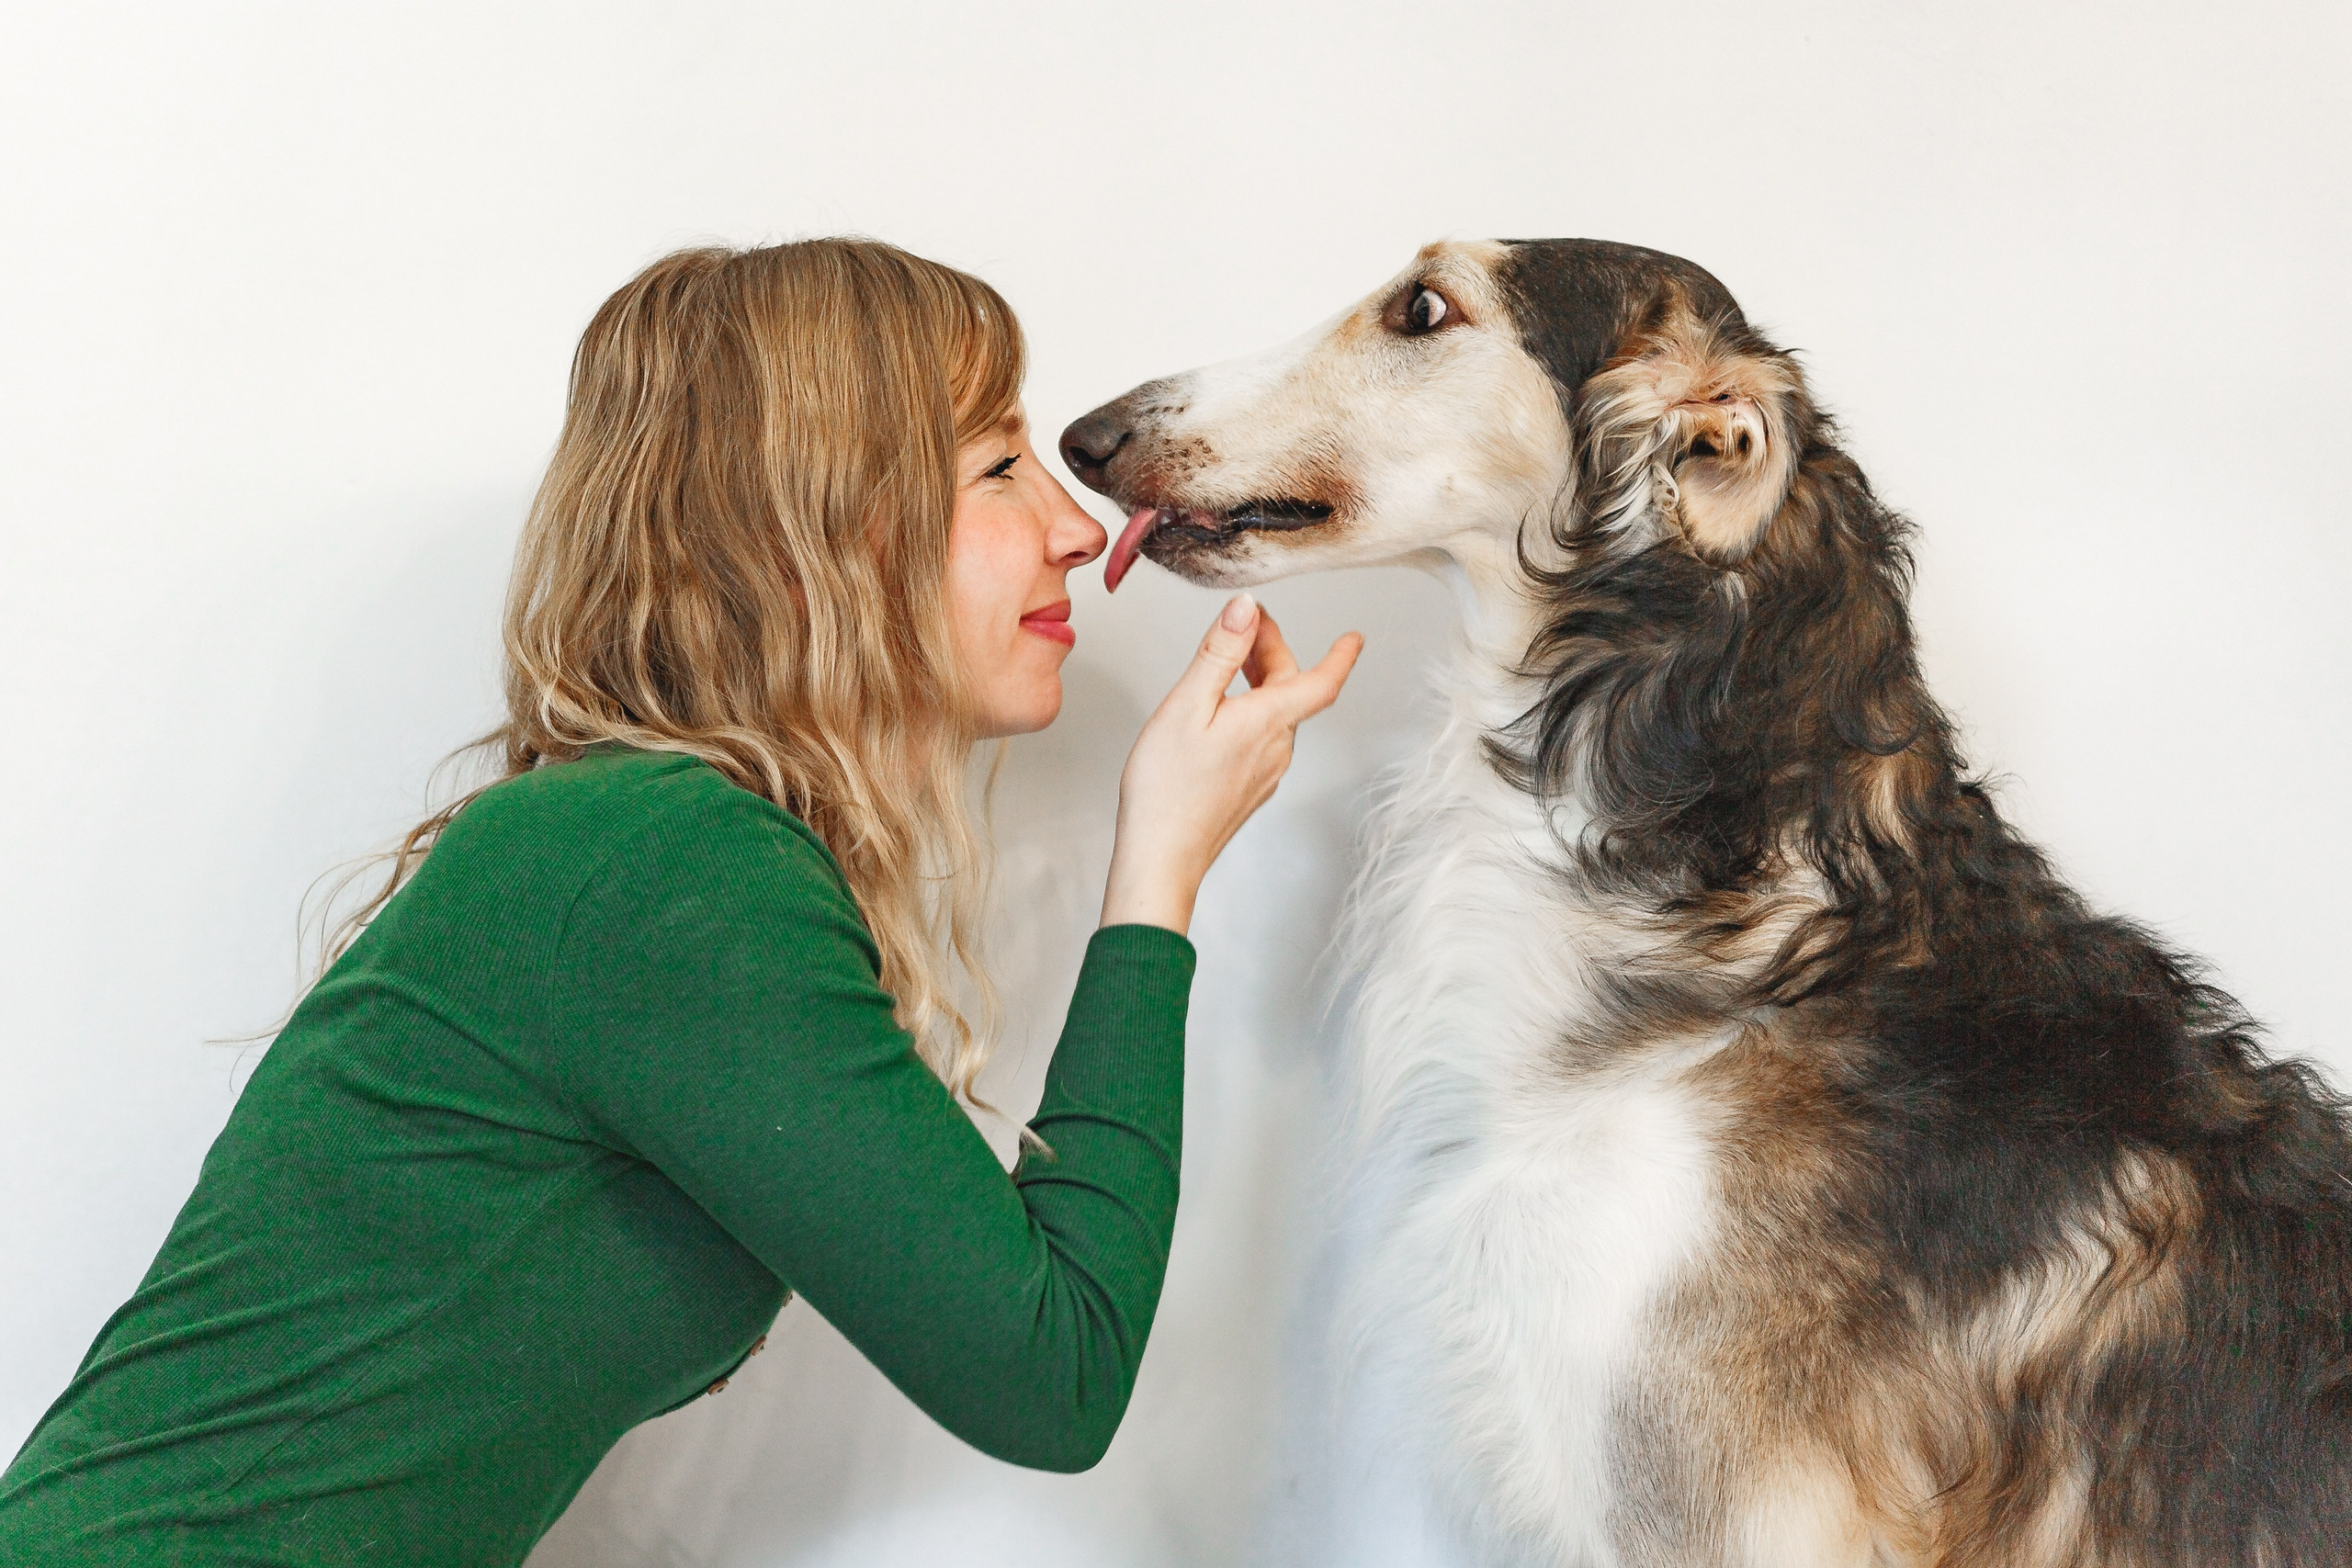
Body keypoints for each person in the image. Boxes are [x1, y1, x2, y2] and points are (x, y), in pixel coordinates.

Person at [0, 239, 1362, 1566]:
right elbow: (1050, 1377)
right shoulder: (667, 864)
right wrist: (1158, 876)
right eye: (1000, 467)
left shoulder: (649, 847)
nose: (1075, 528)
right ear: (809, 532)